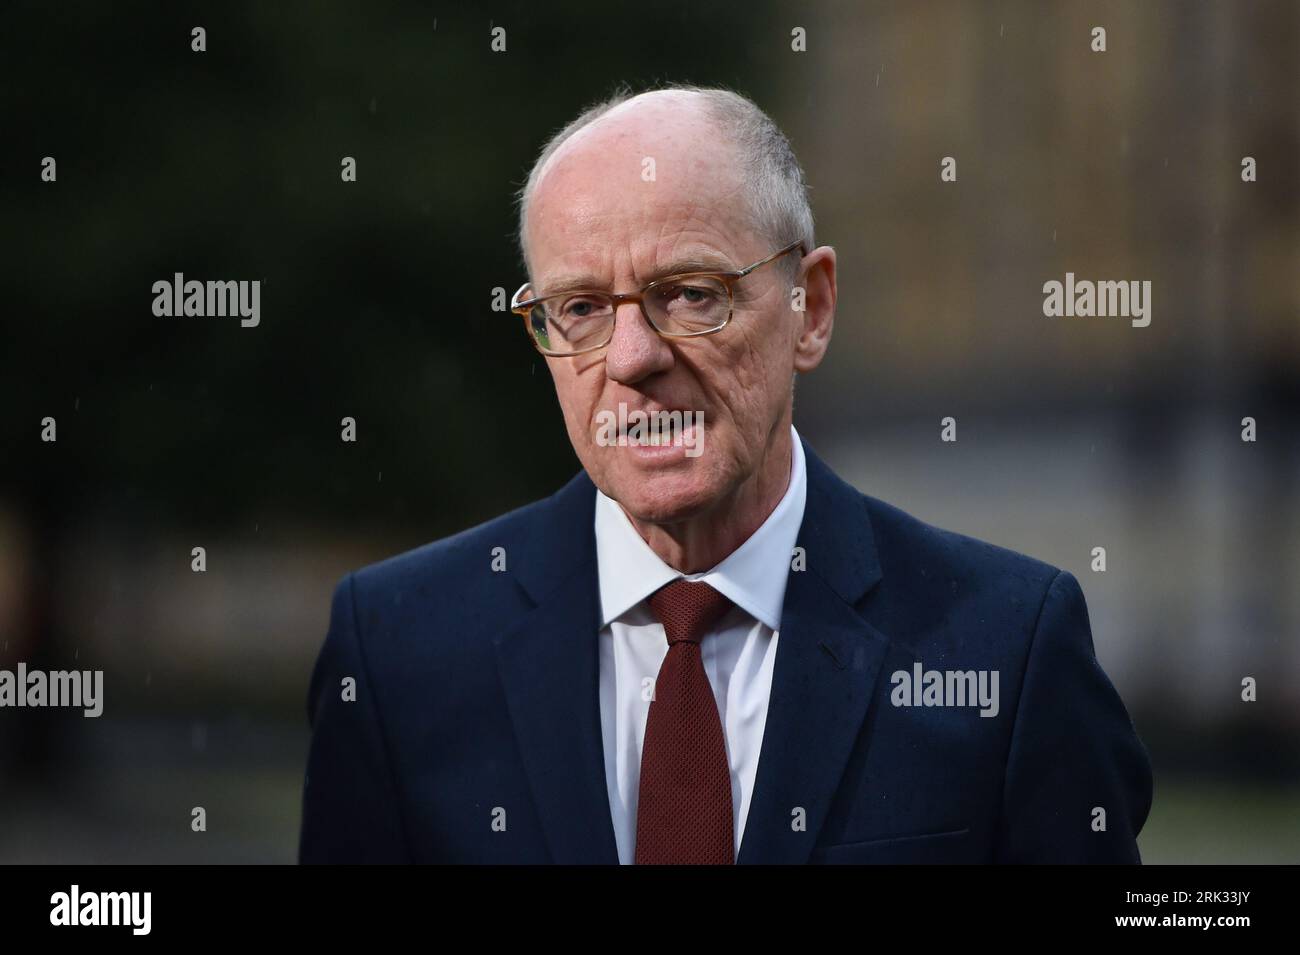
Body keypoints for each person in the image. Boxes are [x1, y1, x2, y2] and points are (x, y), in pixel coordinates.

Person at [300, 84, 1152, 864]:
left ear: (809, 310)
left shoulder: (1005, 644)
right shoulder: (394, 650)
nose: (632, 358)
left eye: (691, 293)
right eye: (582, 309)